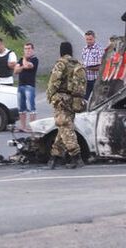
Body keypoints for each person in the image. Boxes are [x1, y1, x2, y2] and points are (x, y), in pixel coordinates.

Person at [46, 42, 87, 170]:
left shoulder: (61, 64)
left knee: (65, 127)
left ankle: (76, 157)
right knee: (63, 127)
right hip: (74, 101)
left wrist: (50, 96)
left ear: (61, 51)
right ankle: (55, 156)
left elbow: (54, 82)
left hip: (61, 100)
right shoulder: (77, 64)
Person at [14, 42, 39, 131]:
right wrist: (23, 66)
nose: (27, 51)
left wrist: (24, 61)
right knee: (21, 108)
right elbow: (16, 70)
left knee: (31, 107)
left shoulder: (34, 59)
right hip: (21, 85)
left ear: (32, 49)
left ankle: (32, 127)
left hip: (30, 85)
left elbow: (28, 66)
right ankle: (23, 127)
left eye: (29, 48)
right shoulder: (20, 60)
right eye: (26, 49)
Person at [81, 30, 103, 100]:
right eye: (87, 39)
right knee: (85, 99)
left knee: (95, 99)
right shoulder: (84, 49)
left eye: (90, 39)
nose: (88, 41)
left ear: (94, 38)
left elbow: (102, 66)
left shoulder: (99, 49)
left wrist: (88, 68)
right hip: (86, 79)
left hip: (95, 80)